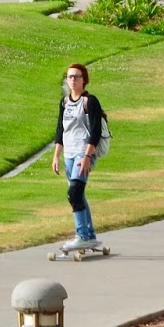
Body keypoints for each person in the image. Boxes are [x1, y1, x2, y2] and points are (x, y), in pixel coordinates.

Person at [51, 62, 106, 252]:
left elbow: (95, 131)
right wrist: (56, 156)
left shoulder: (90, 101)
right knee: (78, 194)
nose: (72, 80)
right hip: (69, 154)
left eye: (76, 76)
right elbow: (60, 129)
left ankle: (81, 236)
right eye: (69, 77)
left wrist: (87, 156)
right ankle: (89, 236)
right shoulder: (64, 102)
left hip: (83, 154)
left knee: (73, 193)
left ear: (84, 80)